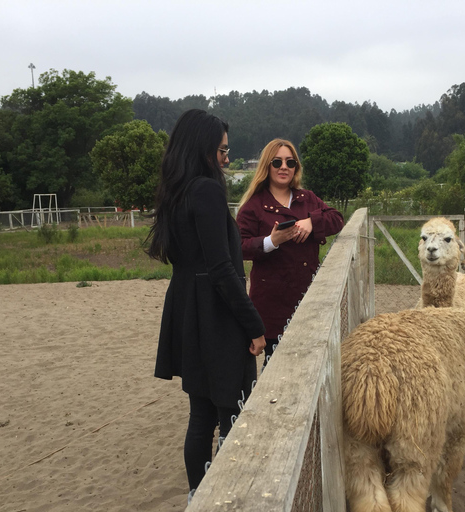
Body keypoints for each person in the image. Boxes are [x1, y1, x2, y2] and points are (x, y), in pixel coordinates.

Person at [147, 109, 266, 496]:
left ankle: (199, 495)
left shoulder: (175, 192)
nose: (227, 160)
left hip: (187, 311)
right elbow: (221, 270)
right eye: (222, 152)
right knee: (233, 409)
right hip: (216, 316)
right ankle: (226, 494)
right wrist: (254, 326)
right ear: (203, 150)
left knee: (200, 416)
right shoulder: (207, 191)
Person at [236, 139, 344, 366]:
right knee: (278, 366)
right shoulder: (253, 206)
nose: (283, 167)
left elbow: (337, 219)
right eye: (277, 162)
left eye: (290, 162)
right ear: (267, 165)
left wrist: (312, 222)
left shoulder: (308, 199)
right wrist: (270, 241)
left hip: (309, 298)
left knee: (313, 364)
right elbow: (239, 246)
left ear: (296, 167)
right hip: (273, 304)